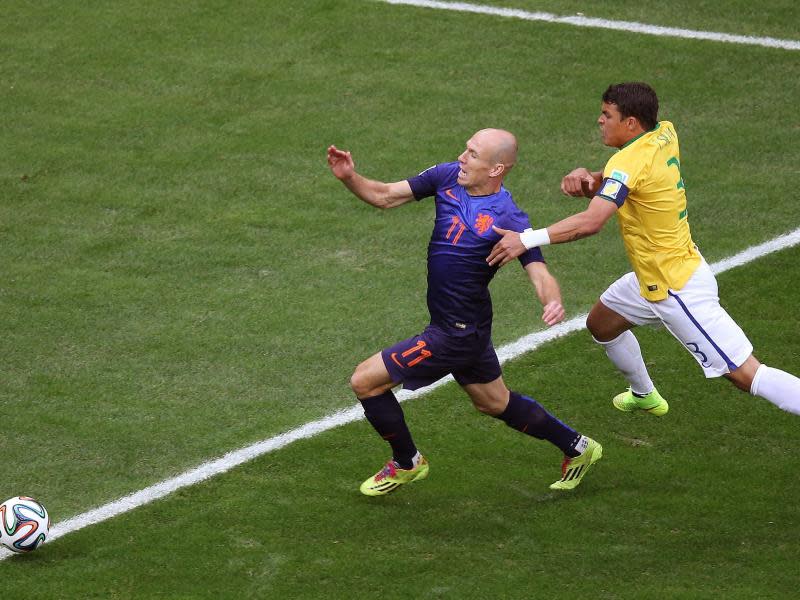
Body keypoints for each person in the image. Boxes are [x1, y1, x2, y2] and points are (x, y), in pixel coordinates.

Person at [487, 82, 800, 416]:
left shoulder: (627, 162)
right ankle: (644, 394)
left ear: (631, 123)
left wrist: (526, 239)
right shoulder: (664, 133)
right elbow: (623, 181)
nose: (600, 120)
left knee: (746, 374)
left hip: (675, 288)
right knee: (602, 323)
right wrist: (590, 182)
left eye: (607, 115)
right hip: (656, 275)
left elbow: (592, 221)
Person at [326, 129, 602, 496]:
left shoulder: (509, 218)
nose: (462, 157)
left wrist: (551, 300)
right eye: (466, 150)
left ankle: (408, 463)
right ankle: (579, 447)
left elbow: (539, 272)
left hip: (453, 333)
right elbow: (386, 196)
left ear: (496, 168)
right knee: (494, 402)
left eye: (473, 154)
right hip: (464, 325)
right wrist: (350, 178)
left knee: (365, 381)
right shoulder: (446, 177)